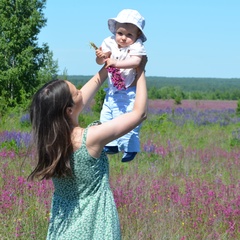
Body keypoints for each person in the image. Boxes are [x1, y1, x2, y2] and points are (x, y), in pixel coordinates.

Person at [28, 56, 148, 239]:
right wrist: (140, 70)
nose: (82, 92)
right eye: (77, 92)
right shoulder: (90, 138)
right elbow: (139, 113)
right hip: (95, 227)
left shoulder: (49, 142)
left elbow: (83, 95)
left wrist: (108, 66)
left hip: (63, 230)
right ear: (68, 110)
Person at [94, 9, 147, 162]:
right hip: (112, 90)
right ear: (115, 31)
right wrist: (101, 57)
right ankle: (110, 145)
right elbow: (101, 62)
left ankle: (131, 148)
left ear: (137, 35)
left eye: (129, 35)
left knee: (126, 121)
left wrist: (116, 63)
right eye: (120, 33)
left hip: (128, 91)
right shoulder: (109, 42)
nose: (123, 38)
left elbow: (136, 62)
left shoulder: (137, 45)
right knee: (106, 118)